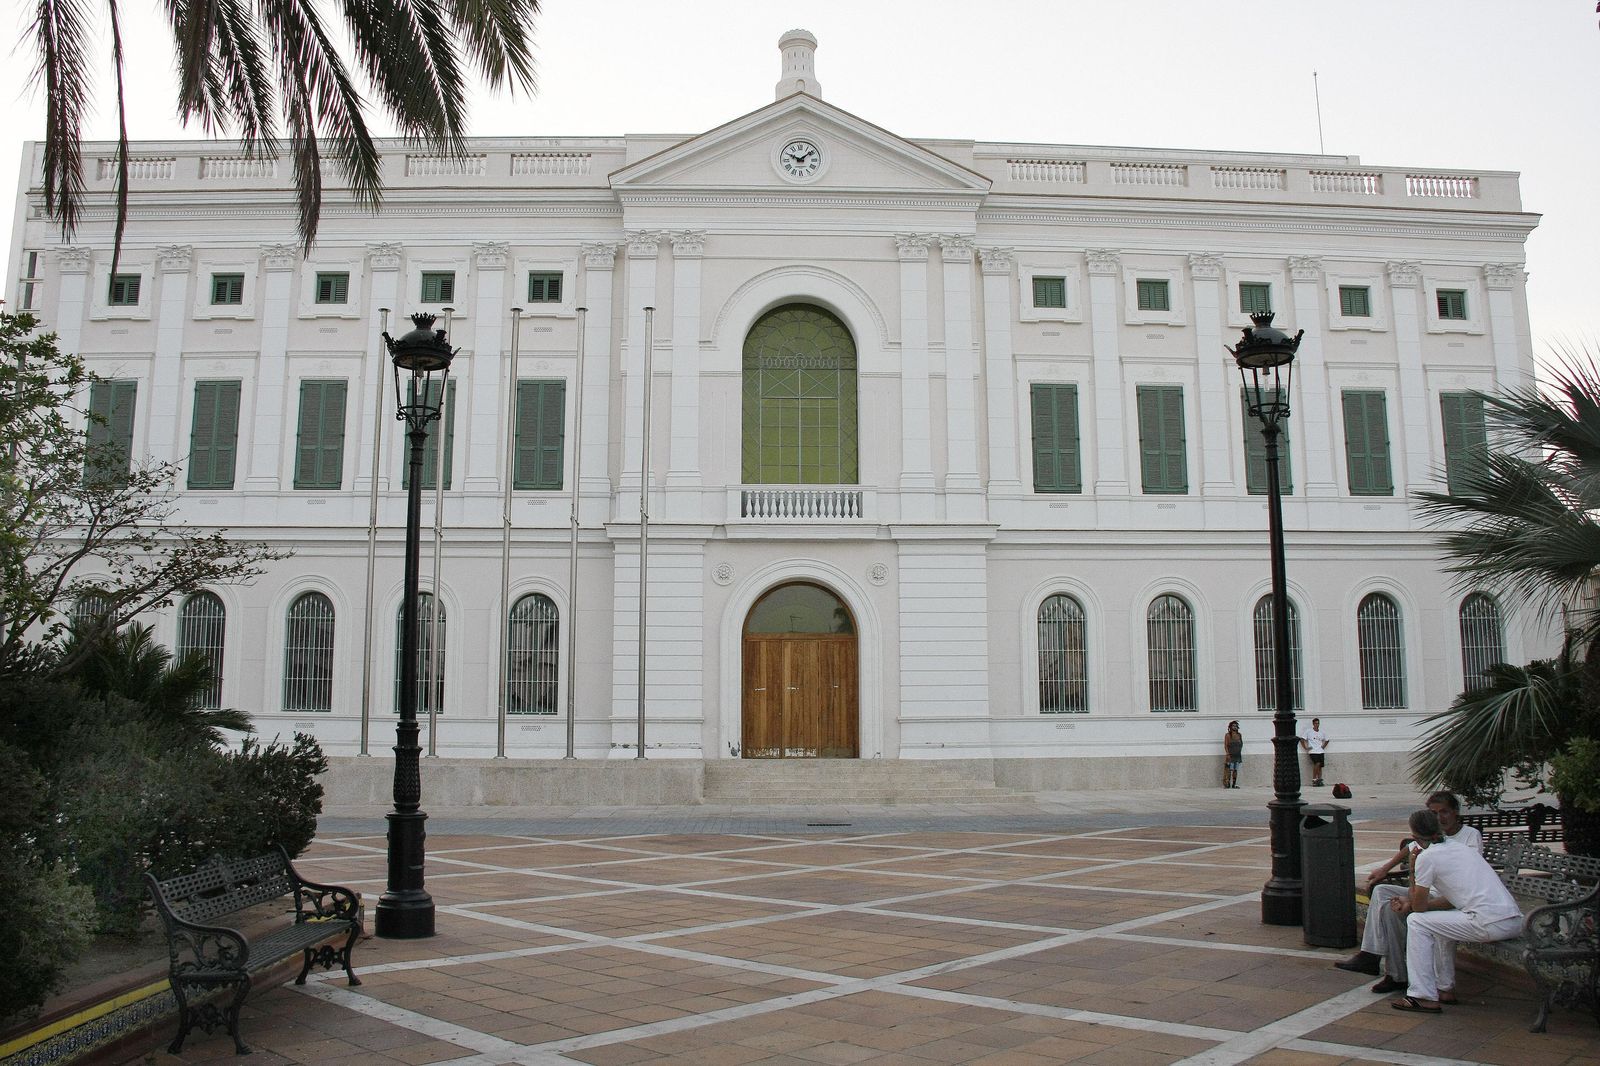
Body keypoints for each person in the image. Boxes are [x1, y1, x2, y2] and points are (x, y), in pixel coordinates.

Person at [1335, 792, 1482, 997]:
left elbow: (1468, 870)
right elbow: (1409, 848)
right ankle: (1376, 958)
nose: (1440, 817)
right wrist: (1385, 869)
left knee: (1395, 909)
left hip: (1447, 897)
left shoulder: (1468, 835)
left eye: (1445, 812)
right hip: (1425, 892)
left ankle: (1394, 971)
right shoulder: (1432, 833)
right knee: (1383, 893)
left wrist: (1412, 892)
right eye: (1434, 813)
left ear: (1455, 813)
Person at [1389, 808, 1522, 1013]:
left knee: (1416, 921)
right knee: (1439, 922)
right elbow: (1450, 902)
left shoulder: (1427, 857)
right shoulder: (1462, 849)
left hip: (1487, 923)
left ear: (1415, 837)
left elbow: (1418, 907)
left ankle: (1422, 995)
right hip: (1512, 921)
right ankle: (1445, 988)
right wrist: (1412, 902)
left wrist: (1413, 868)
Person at [1299, 717, 1329, 786]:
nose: (1317, 725)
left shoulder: (1322, 732)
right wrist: (1305, 747)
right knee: (1317, 763)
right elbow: (1302, 739)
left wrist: (1323, 747)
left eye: (1318, 723)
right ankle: (1314, 779)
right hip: (1313, 751)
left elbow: (1327, 740)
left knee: (1320, 766)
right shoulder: (1308, 731)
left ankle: (1319, 779)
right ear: (1313, 724)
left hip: (1320, 751)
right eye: (1315, 723)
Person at [1223, 721, 1243, 789]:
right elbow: (1225, 745)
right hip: (1230, 755)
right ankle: (1227, 783)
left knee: (1235, 770)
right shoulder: (1227, 735)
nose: (1234, 727)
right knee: (1229, 769)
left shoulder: (1239, 735)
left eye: (1236, 726)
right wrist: (1227, 754)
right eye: (1233, 726)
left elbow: (1241, 743)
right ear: (1230, 727)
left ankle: (1234, 784)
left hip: (1237, 755)